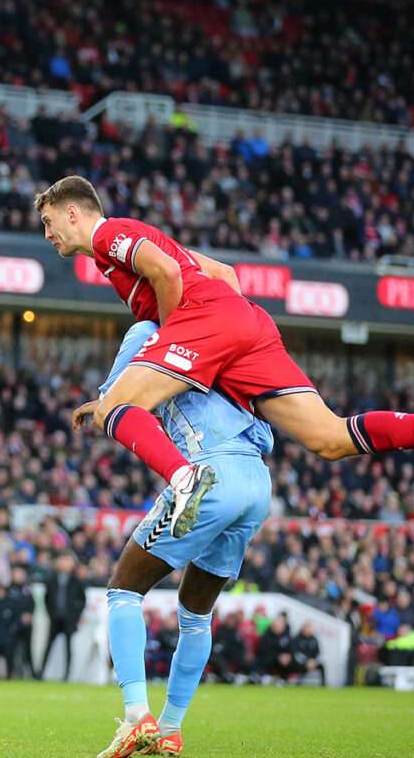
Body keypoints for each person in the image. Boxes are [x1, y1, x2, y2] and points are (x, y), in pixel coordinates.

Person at [35, 176, 414, 534]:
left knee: (112, 411)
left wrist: (176, 338)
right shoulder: (133, 237)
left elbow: (166, 271)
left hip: (205, 320)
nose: (48, 233)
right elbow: (223, 272)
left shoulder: (108, 234)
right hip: (244, 320)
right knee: (330, 439)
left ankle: (185, 480)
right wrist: (220, 345)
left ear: (73, 212)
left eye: (49, 221)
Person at [77, 321, 274, 758]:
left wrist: (100, 403)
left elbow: (116, 403)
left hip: (209, 471)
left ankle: (136, 716)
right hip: (258, 480)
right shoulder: (226, 330)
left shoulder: (151, 329)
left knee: (124, 590)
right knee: (196, 614)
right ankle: (169, 729)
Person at [39, 553, 86, 681]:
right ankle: (40, 673)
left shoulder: (75, 581)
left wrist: (75, 615)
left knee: (68, 648)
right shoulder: (52, 580)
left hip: (68, 620)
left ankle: (67, 675)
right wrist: (51, 614)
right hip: (55, 619)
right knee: (48, 646)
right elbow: (47, 599)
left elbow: (82, 600)